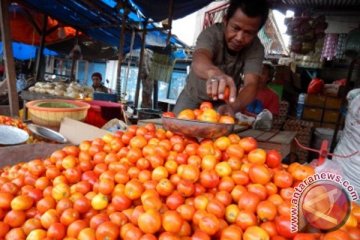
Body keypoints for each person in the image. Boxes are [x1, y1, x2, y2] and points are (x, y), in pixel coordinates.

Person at [173, 0, 269, 116]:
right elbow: (199, 59)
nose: (239, 38)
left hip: (222, 104)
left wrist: (233, 107)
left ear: (257, 32)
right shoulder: (211, 34)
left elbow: (251, 84)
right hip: (191, 97)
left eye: (248, 33)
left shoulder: (256, 48)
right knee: (175, 131)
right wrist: (213, 73)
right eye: (235, 28)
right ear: (225, 21)